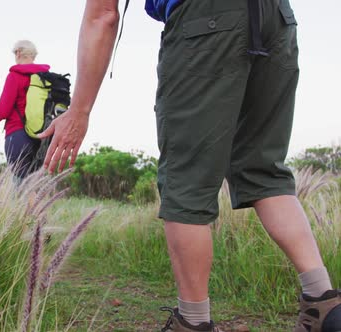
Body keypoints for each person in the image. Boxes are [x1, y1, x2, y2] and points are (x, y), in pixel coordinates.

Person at [37, 0, 340, 331]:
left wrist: (78, 111)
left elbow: (103, 15)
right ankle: (323, 302)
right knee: (264, 170)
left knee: (186, 181)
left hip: (205, 21)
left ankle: (192, 323)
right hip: (277, 18)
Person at [0, 40, 50, 182]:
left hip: (18, 136)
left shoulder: (15, 76)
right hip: (42, 138)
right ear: (33, 55)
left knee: (19, 188)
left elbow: (2, 112)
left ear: (18, 52)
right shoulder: (46, 77)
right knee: (35, 187)